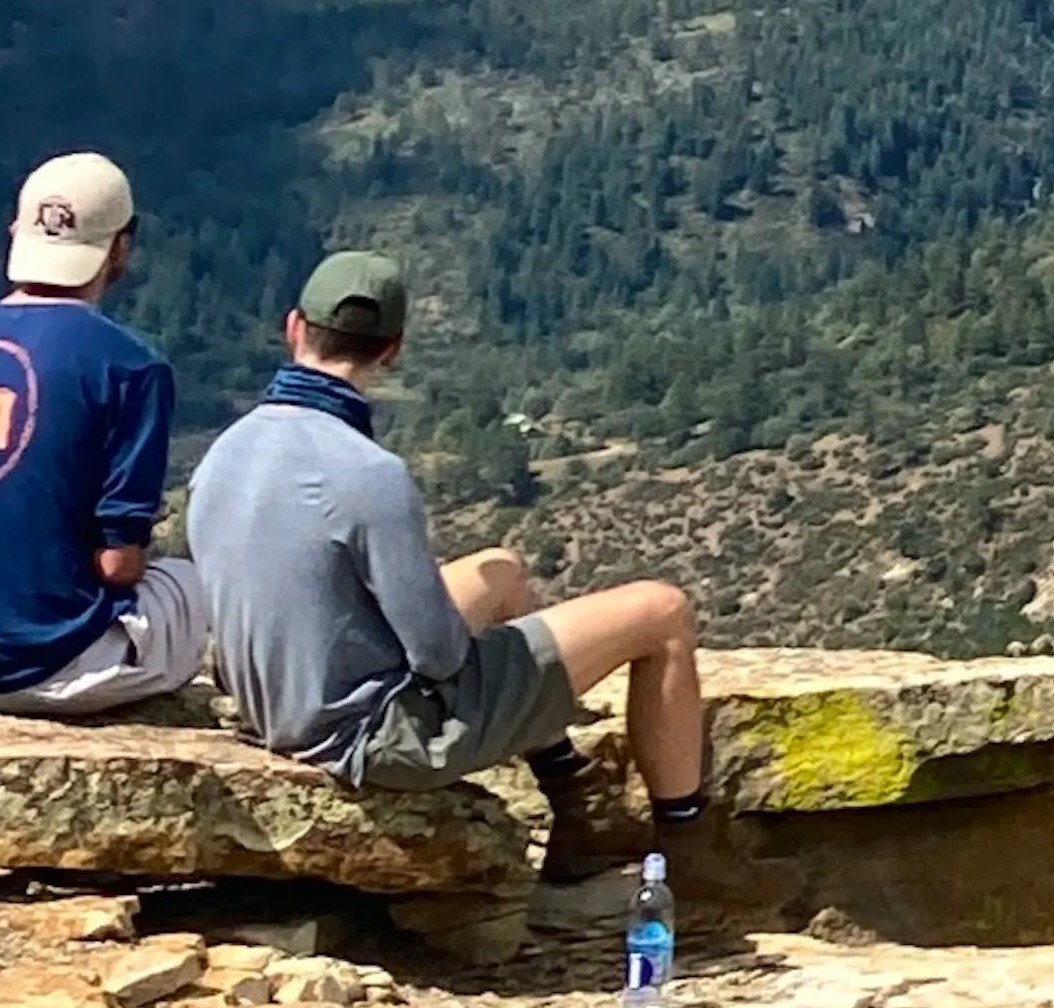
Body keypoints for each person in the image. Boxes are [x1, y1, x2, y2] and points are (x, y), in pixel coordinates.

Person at [179, 244, 710, 849]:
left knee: (500, 571)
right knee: (662, 612)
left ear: (294, 328)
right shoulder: (368, 472)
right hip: (374, 734)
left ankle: (573, 794)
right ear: (392, 349)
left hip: (274, 703)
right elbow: (437, 656)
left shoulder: (225, 452)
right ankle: (687, 845)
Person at [0, 152, 209, 716]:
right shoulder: (130, 367)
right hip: (51, 670)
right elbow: (117, 565)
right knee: (191, 585)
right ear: (120, 249)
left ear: (16, 234)